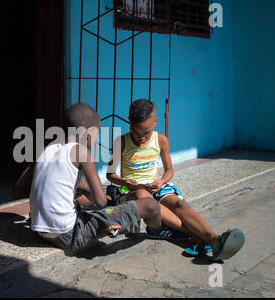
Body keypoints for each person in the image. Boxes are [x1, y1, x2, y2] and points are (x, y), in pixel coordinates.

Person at [106, 99, 245, 260]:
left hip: (155, 187)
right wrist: (125, 182)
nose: (141, 138)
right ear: (129, 122)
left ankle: (213, 238)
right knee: (144, 198)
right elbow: (110, 174)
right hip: (132, 192)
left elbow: (169, 170)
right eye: (135, 131)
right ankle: (202, 237)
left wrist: (161, 181)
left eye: (146, 132)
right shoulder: (121, 142)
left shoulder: (161, 141)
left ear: (155, 122)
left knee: (179, 204)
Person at [13, 102, 163, 251]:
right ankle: (158, 230)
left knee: (81, 193)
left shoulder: (46, 149)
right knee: (151, 206)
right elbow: (100, 201)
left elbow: (18, 191)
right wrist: (88, 191)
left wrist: (78, 187)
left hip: (39, 230)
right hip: (70, 234)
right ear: (88, 134)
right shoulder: (82, 152)